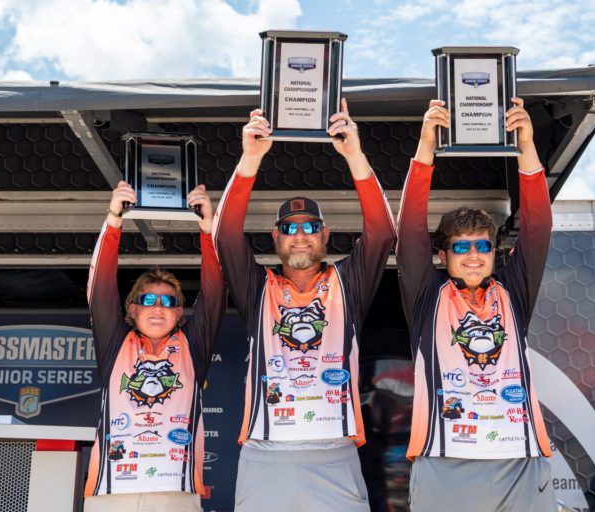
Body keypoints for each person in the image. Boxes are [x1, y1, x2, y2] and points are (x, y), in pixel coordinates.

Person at [213, 99, 396, 512]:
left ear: (325, 234)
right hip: (265, 453)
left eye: (310, 226)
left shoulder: (347, 283)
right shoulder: (258, 287)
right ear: (275, 238)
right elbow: (224, 236)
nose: (300, 235)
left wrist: (354, 154)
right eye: (289, 228)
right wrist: (250, 159)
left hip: (334, 454)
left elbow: (383, 233)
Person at [397, 98, 557, 511]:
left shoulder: (513, 291)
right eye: (461, 246)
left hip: (518, 460)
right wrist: (426, 145)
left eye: (482, 245)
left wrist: (527, 146)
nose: (473, 254)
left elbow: (538, 227)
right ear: (442, 255)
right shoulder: (427, 295)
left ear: (495, 251)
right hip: (444, 459)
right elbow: (410, 227)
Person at [83, 182, 226, 512]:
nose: (158, 307)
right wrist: (114, 221)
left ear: (179, 312)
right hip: (111, 489)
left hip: (174, 491)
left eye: (168, 301)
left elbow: (215, 292)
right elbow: (100, 288)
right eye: (148, 300)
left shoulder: (192, 344)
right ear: (133, 309)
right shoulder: (116, 343)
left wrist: (208, 229)